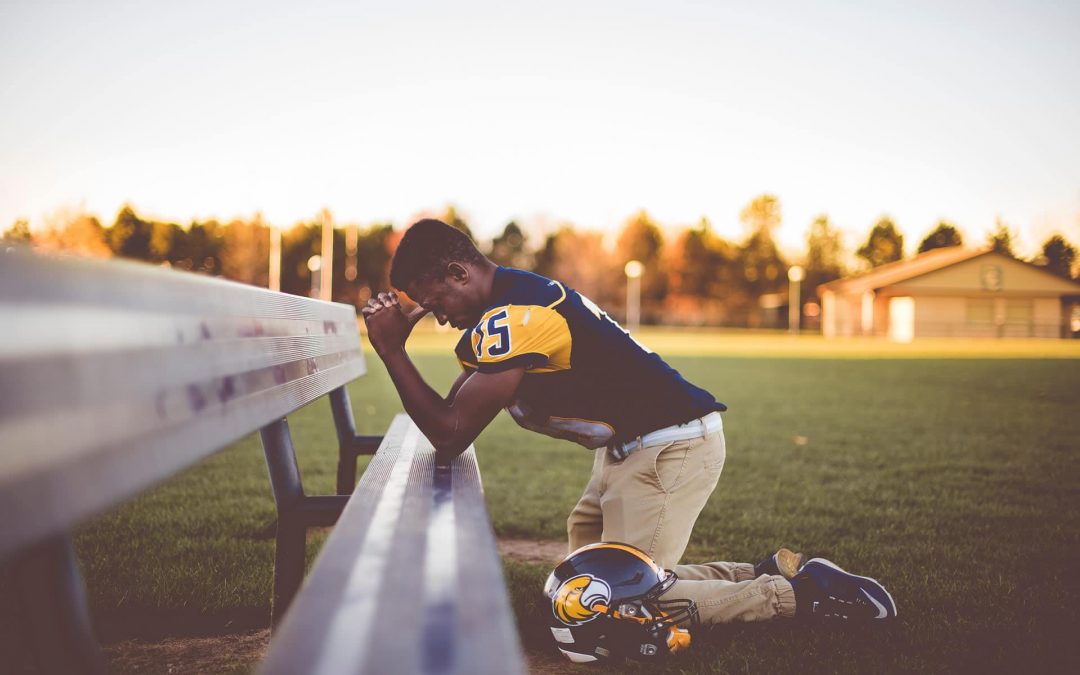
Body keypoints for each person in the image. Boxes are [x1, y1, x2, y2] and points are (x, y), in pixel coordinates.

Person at [361, 218, 896, 634]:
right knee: (586, 588)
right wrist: (397, 350)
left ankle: (803, 597)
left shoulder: (515, 314)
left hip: (668, 448)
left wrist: (390, 351)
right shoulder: (506, 304)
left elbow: (451, 432)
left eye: (437, 302)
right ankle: (766, 573)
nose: (438, 316)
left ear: (459, 273)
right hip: (632, 449)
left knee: (624, 602)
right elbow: (453, 414)